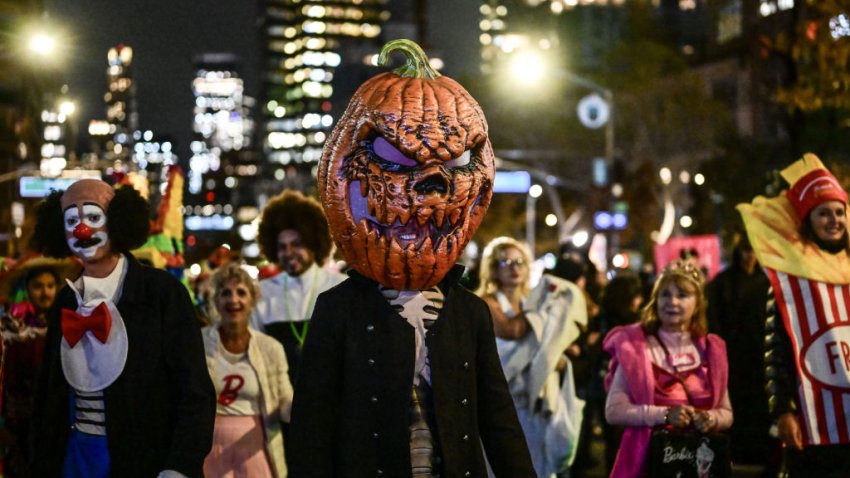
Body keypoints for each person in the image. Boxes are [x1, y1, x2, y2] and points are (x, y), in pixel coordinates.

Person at [29, 179, 216, 478]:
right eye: (72, 221)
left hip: (145, 462)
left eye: (93, 218)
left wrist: (179, 466)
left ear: (116, 220)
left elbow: (195, 393)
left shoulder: (162, 293)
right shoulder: (65, 299)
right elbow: (48, 397)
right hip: (74, 461)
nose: (83, 230)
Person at [738, 154, 850, 476]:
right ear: (807, 220)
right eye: (823, 213)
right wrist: (782, 411)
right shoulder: (788, 278)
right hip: (814, 423)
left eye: (839, 212)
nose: (834, 220)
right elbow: (777, 353)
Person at [603, 259, 733, 477]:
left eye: (682, 295)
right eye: (664, 294)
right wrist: (664, 415)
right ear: (655, 300)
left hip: (698, 464)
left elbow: (726, 412)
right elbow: (613, 411)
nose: (672, 301)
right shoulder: (635, 347)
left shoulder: (712, 349)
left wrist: (710, 419)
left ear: (698, 303)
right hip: (647, 462)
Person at [477, 237, 587, 477]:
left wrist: (559, 355)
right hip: (503, 402)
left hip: (536, 404)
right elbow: (511, 331)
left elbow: (549, 344)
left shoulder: (532, 301)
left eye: (519, 262)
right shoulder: (485, 303)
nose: (515, 268)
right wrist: (545, 309)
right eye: (506, 262)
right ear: (494, 268)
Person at [202, 264, 293, 478]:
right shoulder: (198, 343)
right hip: (208, 448)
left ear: (252, 300)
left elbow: (284, 400)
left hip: (257, 448)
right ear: (216, 301)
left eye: (241, 292)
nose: (234, 300)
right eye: (226, 293)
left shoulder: (270, 347)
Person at [251, 189, 345, 385]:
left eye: (297, 244)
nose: (289, 253)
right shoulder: (263, 292)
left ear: (313, 243)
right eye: (282, 247)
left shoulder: (340, 287)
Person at [0, 255, 80, 477]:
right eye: (38, 286)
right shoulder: (9, 328)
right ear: (26, 289)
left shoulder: (67, 325)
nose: (45, 292)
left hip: (57, 422)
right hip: (18, 425)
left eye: (50, 286)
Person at [705, 235, 777, 470]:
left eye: (754, 251)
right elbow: (715, 321)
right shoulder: (723, 283)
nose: (750, 257)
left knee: (759, 405)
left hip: (760, 355)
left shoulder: (766, 281)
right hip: (733, 356)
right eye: (746, 251)